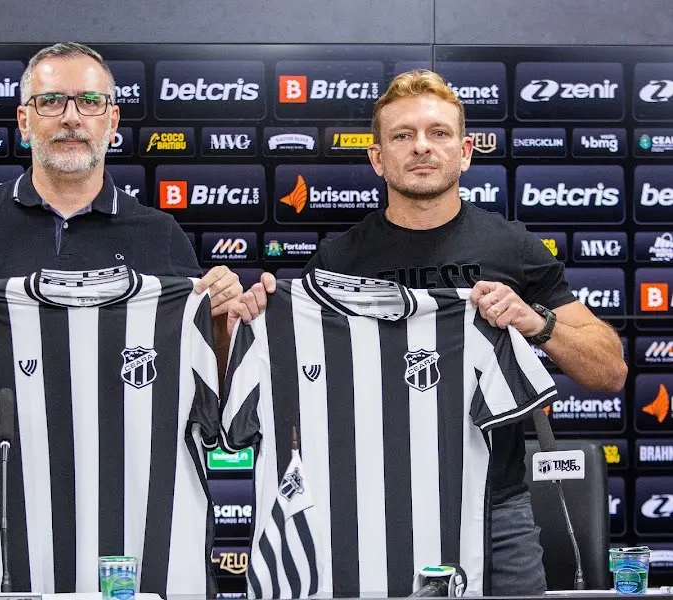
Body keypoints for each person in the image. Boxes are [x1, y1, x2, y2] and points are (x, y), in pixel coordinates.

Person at [230, 69, 627, 596]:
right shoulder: (336, 261)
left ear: (464, 152)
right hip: (367, 507)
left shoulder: (511, 248)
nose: (422, 147)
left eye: (438, 133)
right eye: (403, 135)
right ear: (378, 158)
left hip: (494, 509)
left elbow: (610, 371)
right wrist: (255, 315)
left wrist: (537, 322)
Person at [0, 42, 242, 582]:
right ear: (24, 121)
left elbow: (211, 385)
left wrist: (221, 323)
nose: (71, 117)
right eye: (51, 101)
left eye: (89, 101)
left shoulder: (160, 236)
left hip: (130, 517)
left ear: (112, 120)